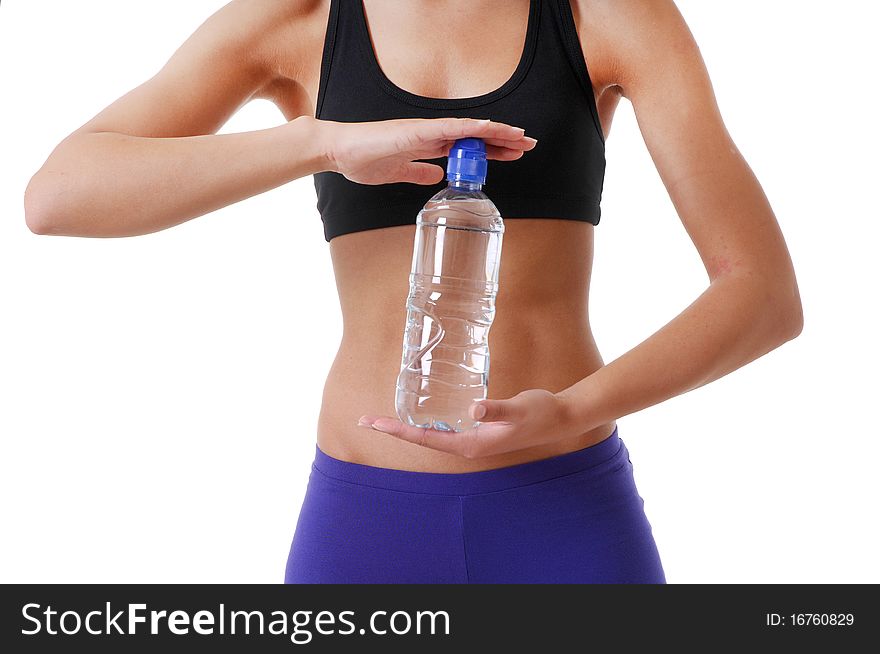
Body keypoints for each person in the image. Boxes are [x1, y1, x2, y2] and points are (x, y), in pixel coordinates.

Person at [24, 0, 803, 583]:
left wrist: (572, 408)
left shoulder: (604, 13)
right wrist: (324, 143)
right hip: (365, 520)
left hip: (564, 512)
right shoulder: (297, 19)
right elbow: (58, 196)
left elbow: (762, 292)